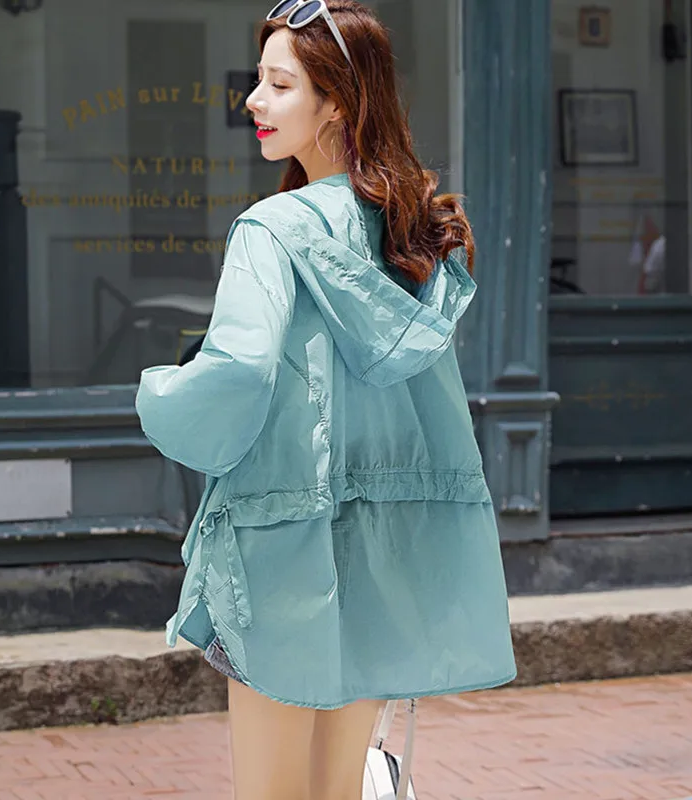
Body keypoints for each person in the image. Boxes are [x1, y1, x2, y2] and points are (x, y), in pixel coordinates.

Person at [134, 1, 517, 797]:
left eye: (279, 85)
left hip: (283, 542)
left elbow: (237, 372)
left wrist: (158, 396)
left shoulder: (272, 229)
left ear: (338, 102)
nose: (254, 100)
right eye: (260, 81)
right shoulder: (409, 234)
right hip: (385, 545)